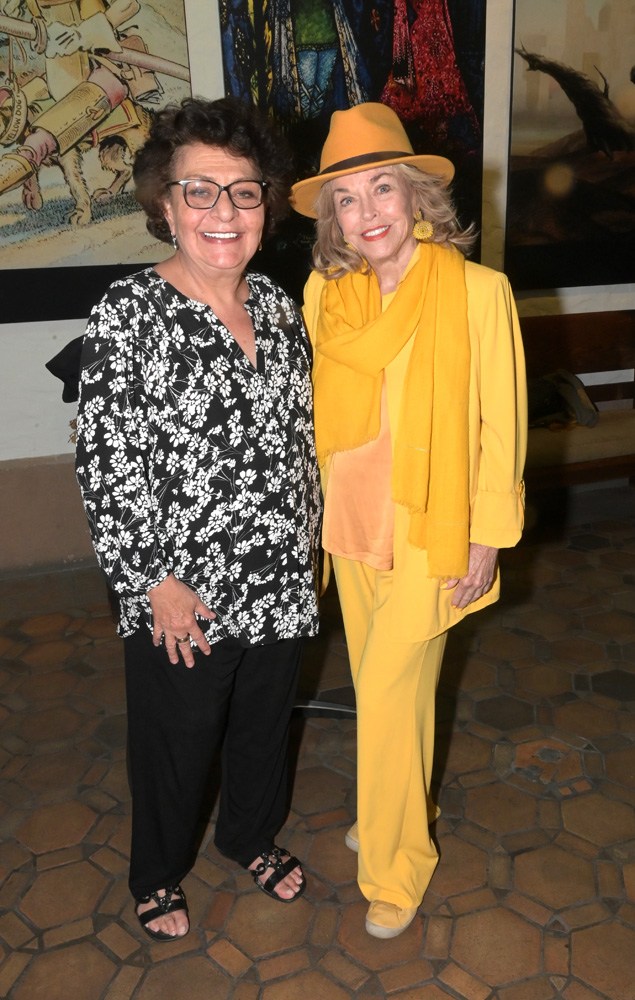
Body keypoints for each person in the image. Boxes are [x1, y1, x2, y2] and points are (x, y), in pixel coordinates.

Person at [75, 96, 322, 941]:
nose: (224, 212)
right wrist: (155, 585)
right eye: (200, 191)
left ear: (267, 204)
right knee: (177, 740)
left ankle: (249, 835)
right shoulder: (127, 314)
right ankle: (157, 872)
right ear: (165, 205)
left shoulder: (282, 312)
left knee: (262, 726)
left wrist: (311, 543)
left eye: (244, 192)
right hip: (187, 592)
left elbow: (301, 443)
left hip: (281, 575)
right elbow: (106, 468)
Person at [291, 102, 527, 939]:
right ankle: (387, 805)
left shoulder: (476, 291)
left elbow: (500, 424)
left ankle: (396, 864)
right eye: (346, 200)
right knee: (393, 696)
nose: (367, 213)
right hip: (348, 530)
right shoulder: (326, 294)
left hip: (433, 530)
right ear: (332, 220)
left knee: (388, 698)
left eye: (381, 187)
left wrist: (486, 536)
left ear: (417, 196)